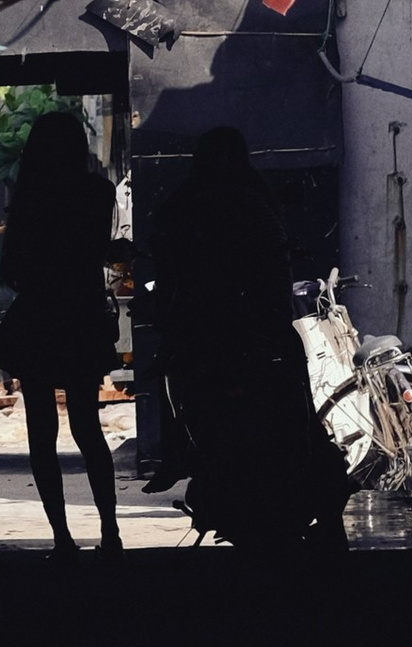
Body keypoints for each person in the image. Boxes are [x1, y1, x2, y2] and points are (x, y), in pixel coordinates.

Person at [146, 125, 346, 555]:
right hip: (259, 334)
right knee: (307, 427)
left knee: (174, 378)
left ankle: (175, 455)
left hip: (210, 338)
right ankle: (327, 515)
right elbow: (277, 274)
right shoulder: (257, 203)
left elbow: (166, 270)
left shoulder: (186, 205)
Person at [0, 106, 123, 554]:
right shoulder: (98, 192)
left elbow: (11, 271)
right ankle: (110, 531)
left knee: (41, 433)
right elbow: (96, 250)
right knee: (89, 428)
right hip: (81, 316)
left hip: (38, 319)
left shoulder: (28, 196)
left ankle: (62, 538)